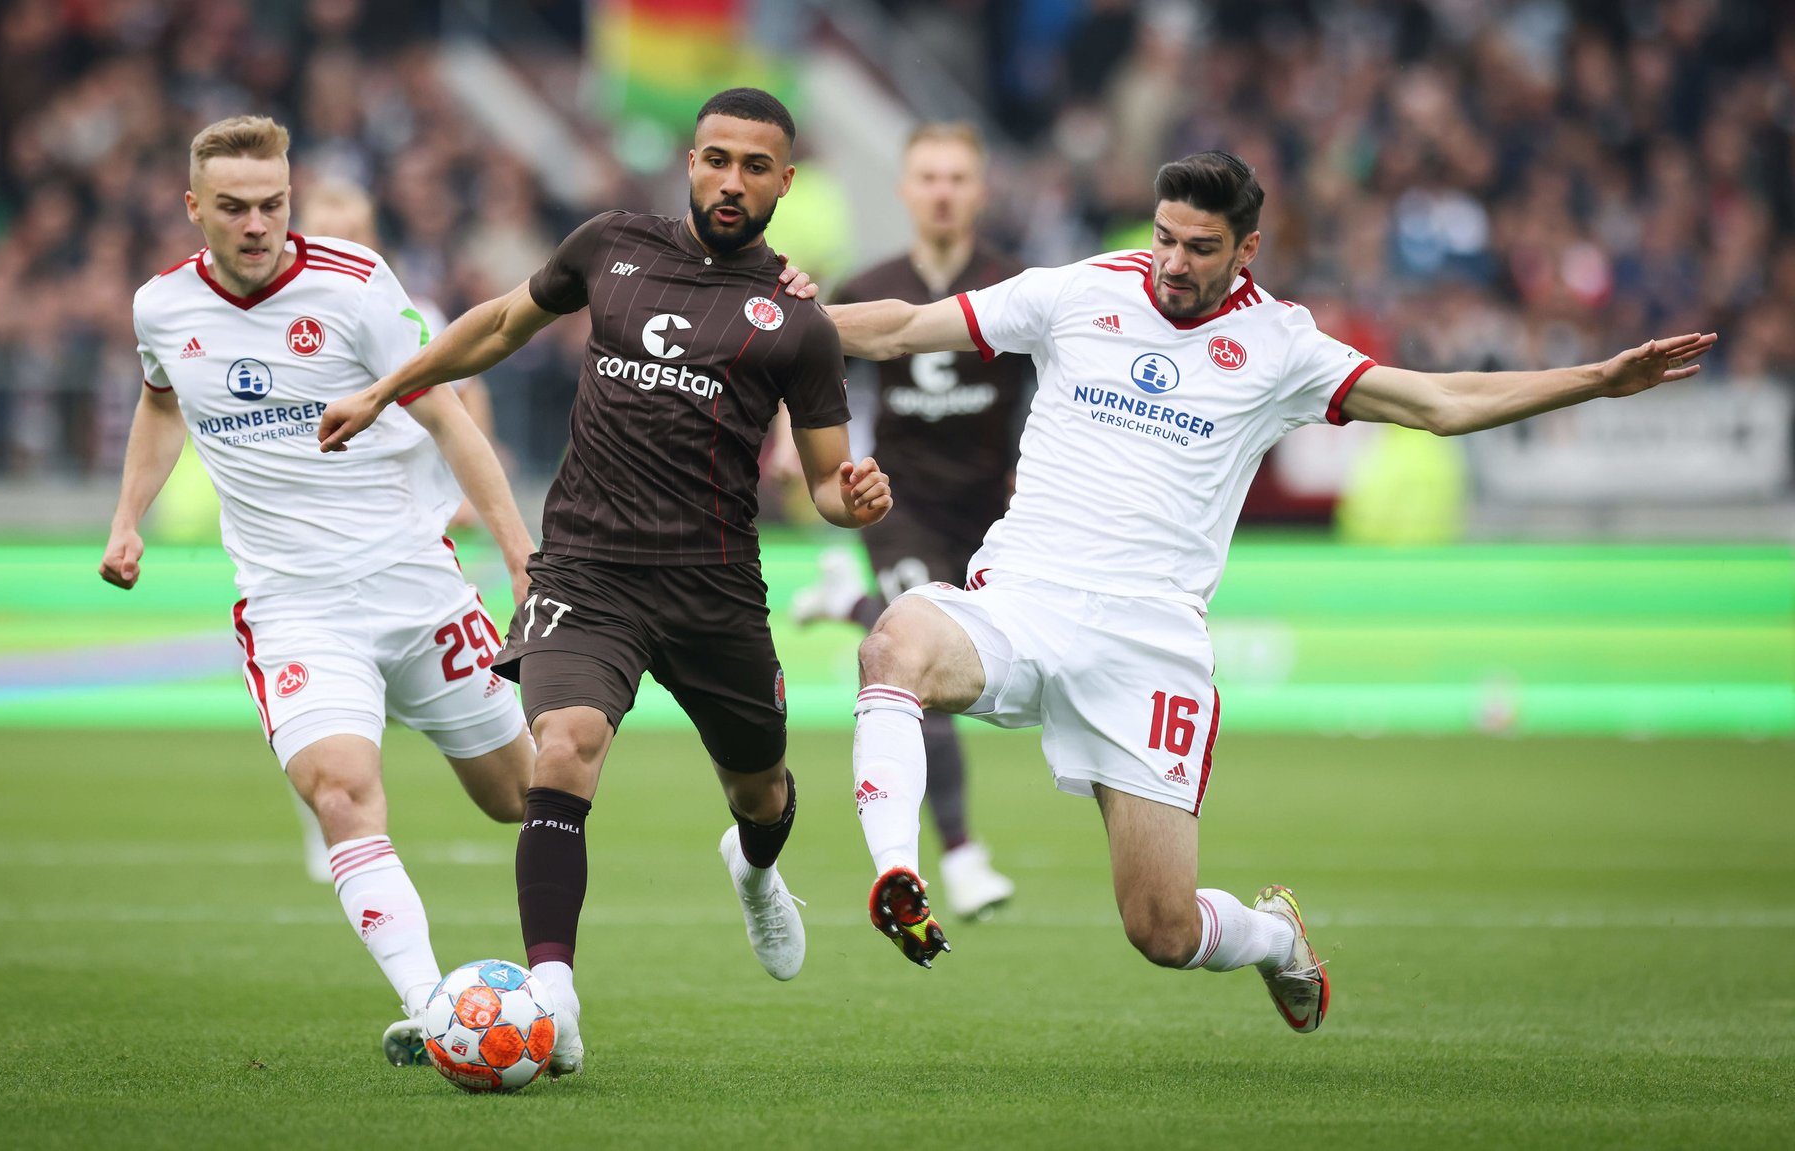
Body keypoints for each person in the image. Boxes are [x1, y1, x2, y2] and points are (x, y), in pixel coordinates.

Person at [827, 150, 1715, 1033]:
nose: (1173, 262)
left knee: (1163, 929)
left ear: (1246, 249)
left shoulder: (1282, 345)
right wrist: (765, 321)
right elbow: (902, 327)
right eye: (1165, 238)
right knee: (895, 644)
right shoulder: (1078, 290)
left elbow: (1440, 401)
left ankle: (1275, 936)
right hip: (1026, 600)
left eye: (1200, 247)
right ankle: (899, 872)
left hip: (1147, 646)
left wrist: (1597, 380)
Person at [317, 88, 892, 1076]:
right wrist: (383, 387)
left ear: (783, 183)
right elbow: (500, 323)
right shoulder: (609, 246)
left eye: (755, 167)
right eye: (716, 158)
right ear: (689, 162)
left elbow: (829, 479)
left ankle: (755, 874)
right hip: (585, 565)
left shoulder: (799, 321)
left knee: (760, 787)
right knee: (564, 744)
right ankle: (553, 991)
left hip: (712, 586)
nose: (731, 180)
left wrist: (856, 497)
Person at [99, 115, 539, 1062]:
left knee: (522, 796)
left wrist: (518, 551)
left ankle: (548, 991)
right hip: (294, 607)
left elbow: (453, 423)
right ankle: (435, 1009)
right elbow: (160, 401)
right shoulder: (162, 308)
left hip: (417, 587)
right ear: (194, 209)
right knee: (341, 791)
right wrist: (128, 516)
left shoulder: (357, 288)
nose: (258, 225)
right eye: (234, 208)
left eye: (273, 204)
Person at [790, 121, 1029, 920]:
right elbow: (810, 364)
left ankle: (845, 605)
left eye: (957, 177)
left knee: (992, 672)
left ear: (979, 189)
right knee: (918, 672)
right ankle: (960, 856)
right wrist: (795, 449)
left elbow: (1050, 389)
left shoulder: (1010, 286)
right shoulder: (873, 282)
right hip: (902, 507)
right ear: (904, 188)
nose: (942, 191)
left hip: (996, 515)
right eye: (928, 176)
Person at [273, 179, 516, 885]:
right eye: (325, 230)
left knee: (511, 781)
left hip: (409, 546)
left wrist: (474, 488)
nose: (338, 244)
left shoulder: (414, 310)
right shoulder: (257, 317)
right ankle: (332, 819)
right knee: (317, 724)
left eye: (352, 232)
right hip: (304, 566)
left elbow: (468, 399)